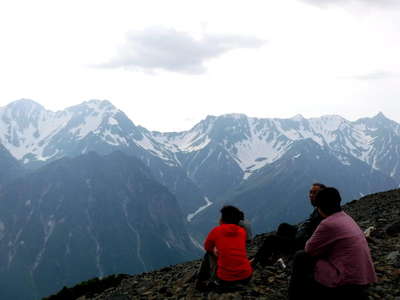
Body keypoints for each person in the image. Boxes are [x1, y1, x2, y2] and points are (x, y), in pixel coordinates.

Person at [288, 187, 377, 300]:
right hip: (363, 279)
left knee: (300, 257)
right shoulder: (346, 218)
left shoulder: (328, 223)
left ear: (319, 207)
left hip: (346, 282)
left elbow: (309, 249)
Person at [252, 183, 326, 266]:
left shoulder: (322, 212)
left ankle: (260, 262)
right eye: (310, 192)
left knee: (271, 239)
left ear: (322, 195)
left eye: (314, 193)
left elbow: (313, 234)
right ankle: (276, 256)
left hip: (303, 244)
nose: (310, 195)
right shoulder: (319, 208)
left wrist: (299, 236)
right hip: (302, 236)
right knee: (283, 226)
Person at [196, 205, 253, 290]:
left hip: (225, 280)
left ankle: (202, 280)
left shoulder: (216, 231)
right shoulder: (242, 231)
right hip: (246, 277)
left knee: (208, 254)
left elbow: (207, 247)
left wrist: (215, 250)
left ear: (223, 219)